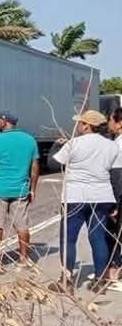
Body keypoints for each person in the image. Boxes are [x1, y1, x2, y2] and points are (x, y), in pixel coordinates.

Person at [51, 110, 122, 289]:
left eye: (80, 123)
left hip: (75, 195)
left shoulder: (74, 144)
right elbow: (114, 173)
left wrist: (58, 145)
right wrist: (114, 201)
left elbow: (54, 163)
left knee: (69, 238)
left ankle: (66, 279)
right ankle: (100, 279)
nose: (78, 126)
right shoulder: (111, 146)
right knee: (98, 237)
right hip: (101, 195)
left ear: (87, 125)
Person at [0, 111, 39, 269]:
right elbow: (34, 167)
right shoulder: (29, 140)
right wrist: (32, 188)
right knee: (22, 225)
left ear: (4, 121)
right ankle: (23, 258)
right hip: (20, 190)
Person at [107, 108, 122, 281]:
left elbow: (117, 178)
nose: (109, 123)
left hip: (118, 194)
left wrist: (115, 205)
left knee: (113, 232)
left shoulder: (117, 146)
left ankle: (115, 267)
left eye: (111, 119)